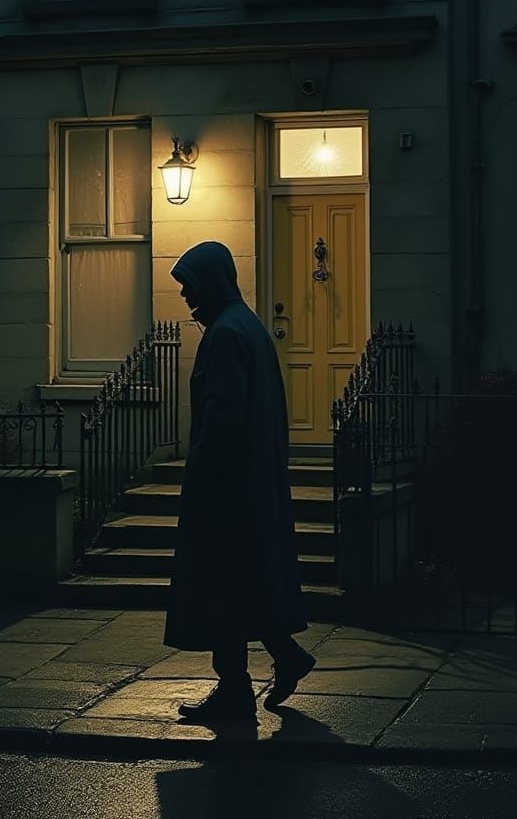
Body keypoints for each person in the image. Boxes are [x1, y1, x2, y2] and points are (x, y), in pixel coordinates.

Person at [164, 240, 315, 723]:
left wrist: (202, 476)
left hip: (227, 489)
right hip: (250, 484)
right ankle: (285, 657)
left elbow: (222, 415)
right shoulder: (247, 326)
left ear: (210, 280)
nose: (186, 296)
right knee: (245, 583)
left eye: (189, 285)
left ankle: (234, 691)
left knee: (221, 588)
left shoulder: (226, 333)